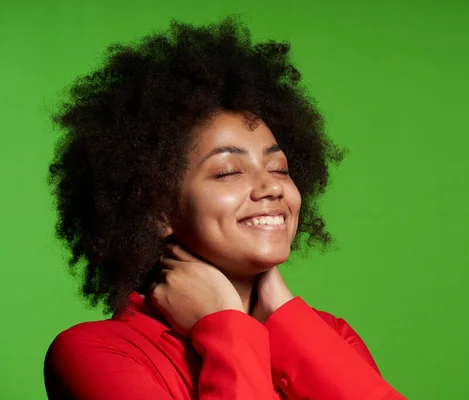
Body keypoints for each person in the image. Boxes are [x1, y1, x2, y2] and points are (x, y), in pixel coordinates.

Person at [43, 16, 407, 399]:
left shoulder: (331, 335)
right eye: (229, 172)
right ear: (156, 209)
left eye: (279, 168)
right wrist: (227, 329)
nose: (271, 186)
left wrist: (286, 318)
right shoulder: (98, 352)